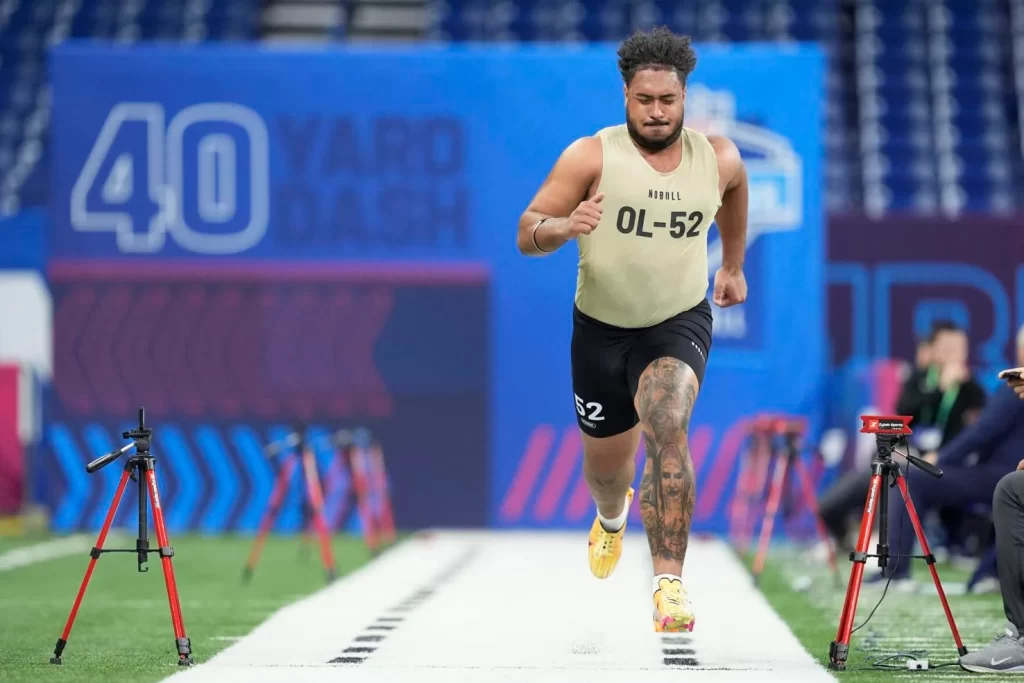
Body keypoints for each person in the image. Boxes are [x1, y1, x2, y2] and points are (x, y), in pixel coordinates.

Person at [516, 26, 749, 633]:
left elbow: (736, 189)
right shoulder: (590, 156)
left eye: (667, 101)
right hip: (601, 329)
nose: (655, 112)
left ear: (683, 98)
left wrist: (731, 264)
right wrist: (564, 227)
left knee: (668, 423)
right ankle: (610, 519)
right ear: (626, 95)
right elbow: (526, 231)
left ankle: (668, 585)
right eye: (644, 100)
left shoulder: (716, 156)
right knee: (607, 474)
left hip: (677, 319)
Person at [875, 324, 1024, 588]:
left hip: (1000, 473)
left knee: (911, 480)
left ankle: (896, 572)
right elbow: (904, 413)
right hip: (991, 468)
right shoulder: (920, 379)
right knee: (892, 473)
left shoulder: (1005, 386)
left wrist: (941, 458)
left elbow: (980, 433)